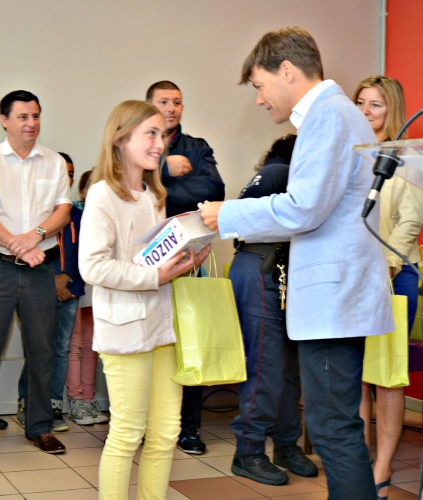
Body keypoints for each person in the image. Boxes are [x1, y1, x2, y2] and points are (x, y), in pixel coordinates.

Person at [198, 27, 393, 499]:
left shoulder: (328, 117)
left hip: (334, 302)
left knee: (332, 430)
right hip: (336, 298)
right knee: (335, 426)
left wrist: (228, 213)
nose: (261, 100)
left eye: (260, 86)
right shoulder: (334, 116)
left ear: (287, 70)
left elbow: (304, 208)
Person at [79, 100, 210, 499]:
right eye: (150, 134)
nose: (160, 144)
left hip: (161, 328)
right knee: (126, 433)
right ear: (121, 140)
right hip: (124, 331)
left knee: (166, 432)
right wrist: (155, 275)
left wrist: (187, 259)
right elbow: (93, 267)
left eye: (162, 135)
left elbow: (154, 260)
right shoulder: (103, 194)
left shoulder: (154, 194)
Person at [0, 90, 70, 459]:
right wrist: (17, 244)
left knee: (42, 352)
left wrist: (34, 237)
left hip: (41, 269)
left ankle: (40, 427)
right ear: (4, 120)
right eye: (23, 116)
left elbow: (62, 212)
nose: (32, 123)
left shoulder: (53, 162)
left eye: (36, 116)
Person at [228, 134, 318, 486]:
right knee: (266, 366)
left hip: (287, 276)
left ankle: (285, 444)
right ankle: (248, 451)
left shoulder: (294, 177)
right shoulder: (278, 172)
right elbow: (238, 218)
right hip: (262, 270)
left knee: (291, 368)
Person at [354, 75, 423, 500]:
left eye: (375, 105)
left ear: (392, 110)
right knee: (358, 377)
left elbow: (410, 221)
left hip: (396, 277)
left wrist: (388, 264)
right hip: (356, 277)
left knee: (388, 379)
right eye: (360, 102)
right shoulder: (352, 155)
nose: (365, 111)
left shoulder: (409, 156)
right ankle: (359, 463)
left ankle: (382, 469)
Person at [145, 80, 225, 455]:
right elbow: (128, 187)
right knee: (150, 343)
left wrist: (161, 183)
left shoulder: (197, 147)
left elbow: (212, 190)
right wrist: (164, 167)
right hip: (148, 260)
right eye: (164, 102)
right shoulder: (136, 146)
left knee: (188, 342)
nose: (172, 108)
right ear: (148, 106)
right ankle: (149, 425)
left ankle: (188, 427)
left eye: (177, 102)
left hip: (190, 258)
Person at [16, 152, 90, 432]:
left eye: (71, 173)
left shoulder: (79, 214)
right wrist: (50, 282)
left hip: (70, 290)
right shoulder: (33, 213)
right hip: (37, 289)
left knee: (60, 349)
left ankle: (53, 403)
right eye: (62, 172)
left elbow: (87, 251)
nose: (67, 178)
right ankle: (28, 402)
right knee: (39, 349)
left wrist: (68, 278)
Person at [66, 168, 106, 426]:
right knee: (74, 343)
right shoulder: (73, 215)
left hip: (97, 286)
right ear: (82, 191)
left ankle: (89, 397)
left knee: (92, 343)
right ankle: (76, 399)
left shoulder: (104, 216)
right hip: (75, 284)